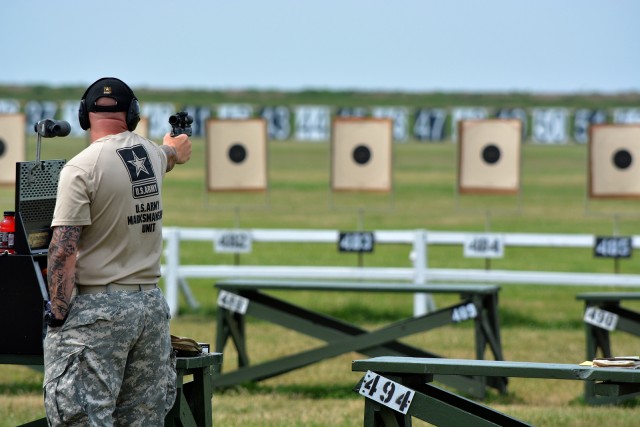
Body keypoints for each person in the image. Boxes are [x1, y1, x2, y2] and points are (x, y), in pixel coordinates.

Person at [43, 77, 192, 426]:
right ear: (133, 114)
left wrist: (58, 316)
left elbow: (63, 249)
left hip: (98, 312)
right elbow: (171, 154)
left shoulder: (80, 168)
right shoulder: (150, 154)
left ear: (84, 115)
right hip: (149, 310)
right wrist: (176, 147)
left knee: (81, 419)